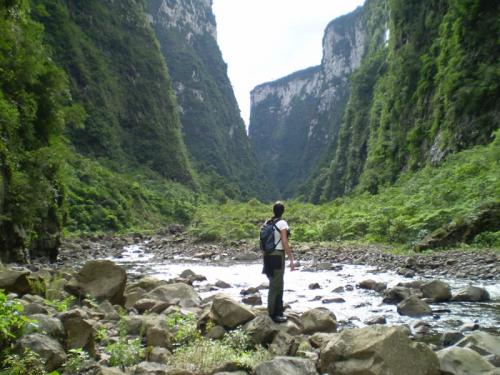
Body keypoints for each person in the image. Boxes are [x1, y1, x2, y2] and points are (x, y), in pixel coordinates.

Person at [262, 201, 295, 323]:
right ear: (283, 211)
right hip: (277, 255)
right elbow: (285, 242)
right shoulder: (282, 223)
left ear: (273, 211)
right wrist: (291, 260)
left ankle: (278, 311)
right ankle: (273, 314)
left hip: (268, 255)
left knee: (274, 283)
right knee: (277, 285)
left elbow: (263, 243)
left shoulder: (268, 223)